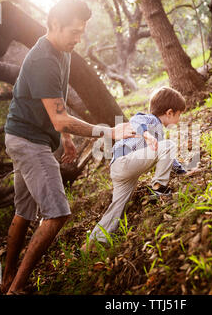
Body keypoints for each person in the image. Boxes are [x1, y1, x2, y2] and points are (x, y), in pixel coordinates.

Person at [1, 0, 136, 294]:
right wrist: (108, 131)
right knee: (58, 213)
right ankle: (17, 289)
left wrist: (66, 138)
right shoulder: (42, 60)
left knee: (23, 212)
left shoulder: (63, 50)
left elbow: (55, 105)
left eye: (81, 32)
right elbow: (60, 118)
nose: (78, 38)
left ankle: (6, 279)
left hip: (23, 135)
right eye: (73, 32)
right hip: (28, 142)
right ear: (53, 25)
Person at [82, 87, 191, 251]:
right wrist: (146, 134)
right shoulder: (149, 120)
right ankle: (159, 187)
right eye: (179, 114)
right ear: (169, 112)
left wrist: (183, 172)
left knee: (117, 205)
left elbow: (167, 156)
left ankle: (92, 244)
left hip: (119, 168)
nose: (179, 118)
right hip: (125, 162)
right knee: (168, 145)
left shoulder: (156, 132)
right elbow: (137, 123)